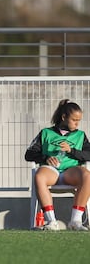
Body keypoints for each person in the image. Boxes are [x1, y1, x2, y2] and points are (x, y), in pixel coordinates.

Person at [25, 99, 90, 231]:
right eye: (74, 120)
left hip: (70, 172)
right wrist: (46, 157)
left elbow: (88, 154)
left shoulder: (80, 135)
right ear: (64, 117)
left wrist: (71, 150)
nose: (77, 123)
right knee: (39, 176)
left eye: (79, 120)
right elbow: (29, 154)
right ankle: (51, 221)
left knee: (87, 176)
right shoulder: (46, 133)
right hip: (51, 171)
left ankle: (76, 221)